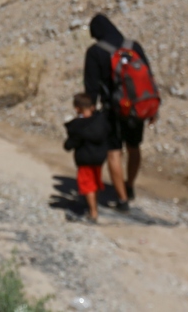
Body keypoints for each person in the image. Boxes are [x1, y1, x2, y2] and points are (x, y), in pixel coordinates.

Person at [84, 13, 155, 211]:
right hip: (136, 107)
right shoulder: (133, 46)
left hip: (112, 111)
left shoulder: (95, 52)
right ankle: (130, 186)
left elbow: (91, 89)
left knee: (114, 153)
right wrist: (152, 108)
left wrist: (87, 115)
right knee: (134, 147)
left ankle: (122, 200)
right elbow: (148, 76)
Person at [64, 93, 110, 224]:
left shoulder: (78, 126)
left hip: (85, 160)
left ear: (77, 108)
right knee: (95, 183)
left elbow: (70, 144)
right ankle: (93, 206)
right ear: (92, 107)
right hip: (99, 158)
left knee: (87, 186)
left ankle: (93, 213)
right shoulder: (100, 121)